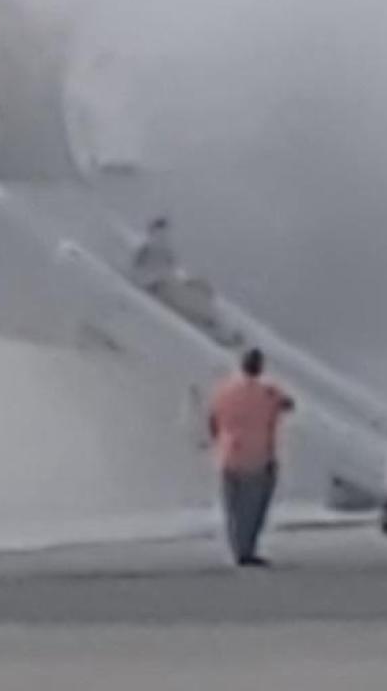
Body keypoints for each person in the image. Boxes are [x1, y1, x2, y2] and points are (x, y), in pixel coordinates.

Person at [208, 349, 294, 567]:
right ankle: (246, 550)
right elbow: (288, 405)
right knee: (253, 508)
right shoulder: (268, 391)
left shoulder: (224, 390)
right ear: (260, 366)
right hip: (258, 457)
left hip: (229, 455)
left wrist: (219, 442)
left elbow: (213, 420)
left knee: (233, 508)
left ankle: (237, 549)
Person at [133, 218, 240, 347]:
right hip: (162, 287)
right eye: (161, 231)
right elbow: (143, 273)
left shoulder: (161, 250)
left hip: (168, 285)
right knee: (197, 302)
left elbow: (169, 270)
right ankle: (222, 331)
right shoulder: (150, 250)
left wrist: (188, 282)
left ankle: (222, 329)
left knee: (201, 293)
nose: (164, 236)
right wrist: (154, 284)